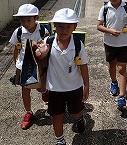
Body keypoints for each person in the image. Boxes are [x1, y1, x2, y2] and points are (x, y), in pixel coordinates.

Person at [36, 8, 89, 145]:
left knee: (75, 112)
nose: (64, 30)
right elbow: (38, 56)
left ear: (74, 27)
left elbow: (83, 65)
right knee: (56, 115)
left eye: (68, 26)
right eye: (60, 26)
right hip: (55, 88)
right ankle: (60, 140)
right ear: (54, 26)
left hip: (74, 87)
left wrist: (86, 85)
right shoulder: (49, 41)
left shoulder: (78, 44)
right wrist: (41, 52)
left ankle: (79, 118)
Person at [9, 3, 50, 130]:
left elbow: (47, 47)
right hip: (23, 65)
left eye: (28, 20)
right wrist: (17, 64)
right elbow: (15, 49)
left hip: (38, 66)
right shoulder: (19, 31)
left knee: (40, 87)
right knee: (25, 90)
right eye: (22, 20)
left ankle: (45, 92)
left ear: (36, 18)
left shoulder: (43, 30)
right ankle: (28, 112)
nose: (25, 23)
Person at [97, 0, 127, 109]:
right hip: (109, 43)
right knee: (112, 64)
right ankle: (114, 82)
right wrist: (110, 31)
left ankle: (122, 96)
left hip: (124, 44)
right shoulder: (104, 8)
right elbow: (99, 26)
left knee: (121, 69)